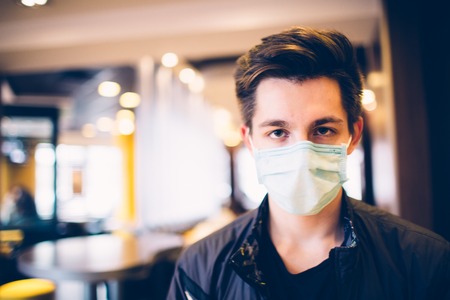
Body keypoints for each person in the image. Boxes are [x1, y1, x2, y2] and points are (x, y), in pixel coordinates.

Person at [167, 26, 450, 299]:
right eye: (278, 132)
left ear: (354, 135)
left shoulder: (422, 261)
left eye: (323, 130)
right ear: (250, 141)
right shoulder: (200, 268)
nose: (302, 153)